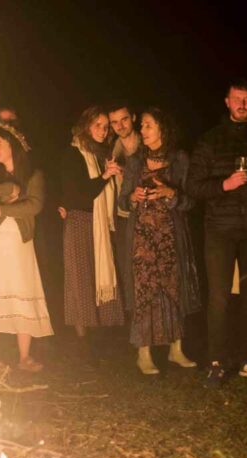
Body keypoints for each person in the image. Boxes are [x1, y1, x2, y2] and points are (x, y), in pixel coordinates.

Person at [187, 79, 247, 386]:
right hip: (219, 231)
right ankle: (216, 361)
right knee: (219, 298)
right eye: (237, 99)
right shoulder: (210, 140)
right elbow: (193, 186)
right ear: (226, 101)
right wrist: (225, 184)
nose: (242, 105)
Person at [119, 109, 202, 375]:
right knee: (145, 291)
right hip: (142, 238)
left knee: (172, 287)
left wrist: (170, 193)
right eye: (142, 125)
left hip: (169, 236)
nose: (142, 130)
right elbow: (122, 200)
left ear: (162, 129)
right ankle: (143, 353)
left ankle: (176, 350)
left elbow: (191, 201)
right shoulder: (134, 161)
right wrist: (133, 196)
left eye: (148, 125)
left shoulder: (179, 159)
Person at [0, 122, 53, 373]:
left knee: (22, 289)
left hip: (20, 240)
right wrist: (10, 189)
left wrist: (2, 208)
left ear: (12, 146)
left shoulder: (33, 174)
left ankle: (24, 357)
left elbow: (35, 205)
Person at [58, 106, 124, 359]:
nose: (103, 130)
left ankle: (104, 337)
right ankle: (83, 341)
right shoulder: (73, 154)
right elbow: (77, 193)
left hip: (100, 224)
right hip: (79, 221)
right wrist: (106, 176)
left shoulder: (102, 155)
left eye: (106, 126)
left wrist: (113, 175)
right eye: (98, 125)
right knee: (81, 278)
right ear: (86, 126)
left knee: (102, 274)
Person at [108, 102, 141, 312]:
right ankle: (134, 318)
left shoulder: (146, 142)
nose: (120, 126)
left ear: (134, 118)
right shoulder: (112, 149)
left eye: (124, 119)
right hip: (122, 215)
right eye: (114, 123)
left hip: (146, 214)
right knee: (127, 268)